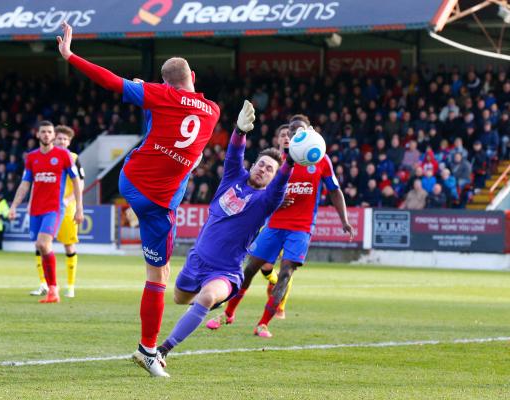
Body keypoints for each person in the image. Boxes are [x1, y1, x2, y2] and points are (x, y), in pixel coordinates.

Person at [57, 21, 220, 376]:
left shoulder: (159, 95)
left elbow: (110, 81)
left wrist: (70, 55)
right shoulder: (213, 111)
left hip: (131, 181)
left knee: (151, 126)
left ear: (165, 84)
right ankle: (149, 350)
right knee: (159, 276)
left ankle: (149, 348)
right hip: (159, 203)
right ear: (192, 74)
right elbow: (186, 108)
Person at [155, 100, 294, 375]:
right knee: (179, 299)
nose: (263, 169)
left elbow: (279, 186)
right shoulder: (233, 178)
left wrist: (290, 160)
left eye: (270, 169)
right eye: (261, 164)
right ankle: (208, 301)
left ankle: (161, 351)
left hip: (226, 271)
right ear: (253, 165)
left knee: (206, 298)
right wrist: (239, 131)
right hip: (196, 261)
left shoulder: (266, 200)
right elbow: (233, 154)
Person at [206, 118, 353, 338]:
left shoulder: (320, 159)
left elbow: (334, 190)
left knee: (285, 274)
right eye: (290, 131)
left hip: (301, 228)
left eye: (298, 131)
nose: (292, 135)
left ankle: (263, 324)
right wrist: (274, 198)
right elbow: (259, 189)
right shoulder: (280, 162)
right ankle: (228, 313)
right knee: (248, 270)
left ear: (308, 132)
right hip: (274, 225)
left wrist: (344, 220)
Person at [8, 121, 83, 304]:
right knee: (41, 247)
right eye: (44, 132)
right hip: (36, 209)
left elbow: (76, 182)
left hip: (55, 208)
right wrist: (14, 205)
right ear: (38, 135)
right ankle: (50, 288)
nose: (47, 135)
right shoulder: (32, 157)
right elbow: (26, 183)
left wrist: (79, 208)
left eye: (50, 132)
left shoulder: (65, 156)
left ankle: (55, 289)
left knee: (45, 243)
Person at [30, 125, 85, 298]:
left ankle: (70, 286)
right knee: (41, 245)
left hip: (66, 209)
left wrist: (69, 201)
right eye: (59, 138)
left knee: (69, 245)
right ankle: (44, 284)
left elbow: (80, 182)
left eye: (65, 139)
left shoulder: (74, 158)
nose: (61, 141)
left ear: (69, 142)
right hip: (46, 207)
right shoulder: (46, 156)